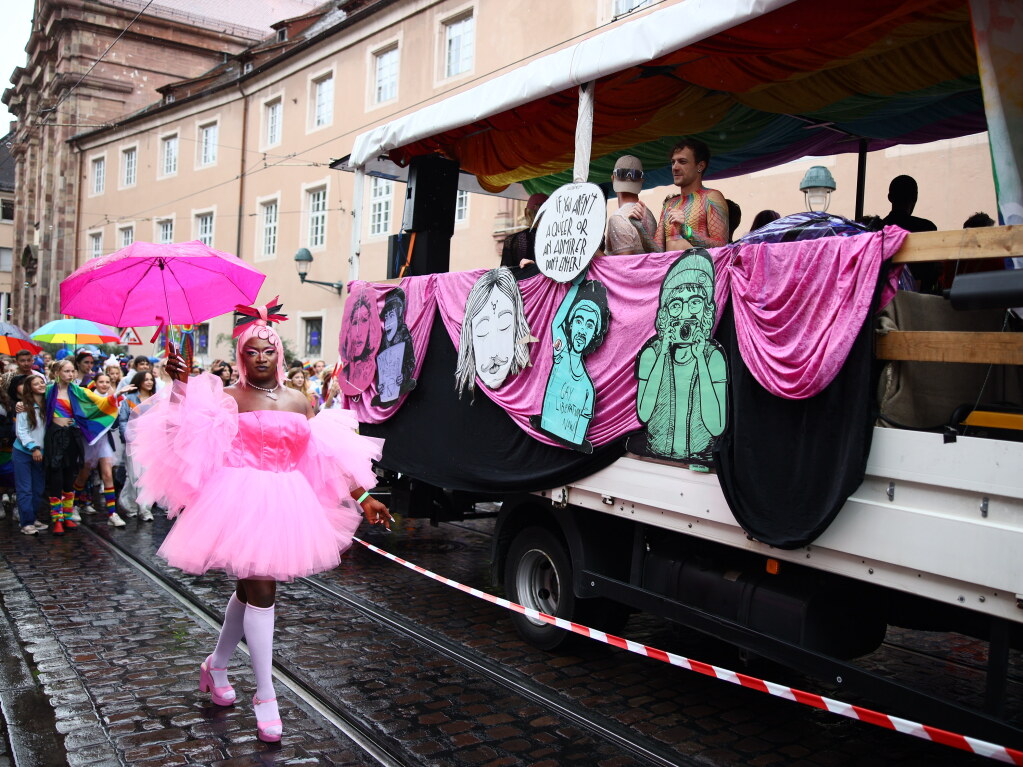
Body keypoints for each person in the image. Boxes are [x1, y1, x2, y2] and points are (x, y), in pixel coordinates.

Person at [125, 300, 389, 743]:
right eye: (252, 351)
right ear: (242, 356)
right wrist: (181, 385)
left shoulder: (299, 400)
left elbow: (324, 455)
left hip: (286, 500)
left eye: (269, 350)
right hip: (238, 499)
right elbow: (181, 434)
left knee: (249, 589)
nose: (261, 357)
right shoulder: (227, 399)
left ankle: (217, 665)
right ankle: (265, 694)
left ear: (279, 356)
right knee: (261, 588)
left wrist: (363, 496)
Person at [632, 250, 727, 463]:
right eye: (676, 305)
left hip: (701, 458)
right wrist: (663, 353)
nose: (685, 314)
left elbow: (717, 425)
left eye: (694, 302)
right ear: (665, 314)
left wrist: (701, 359)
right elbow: (644, 414)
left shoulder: (713, 357)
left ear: (706, 310)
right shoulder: (653, 352)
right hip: (654, 455)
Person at [529, 277, 610, 453]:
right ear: (570, 324)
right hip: (544, 439)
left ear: (595, 333)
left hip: (569, 449)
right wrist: (575, 287)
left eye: (590, 325)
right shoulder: (561, 353)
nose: (582, 330)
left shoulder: (588, 388)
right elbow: (556, 323)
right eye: (579, 321)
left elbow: (580, 432)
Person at [42, 359, 120, 535]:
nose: (70, 374)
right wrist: (21, 404)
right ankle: (57, 518)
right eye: (66, 371)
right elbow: (33, 402)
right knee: (56, 478)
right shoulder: (48, 391)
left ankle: (68, 515)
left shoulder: (78, 391)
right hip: (54, 437)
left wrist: (117, 394)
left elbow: (99, 401)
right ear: (57, 373)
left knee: (70, 475)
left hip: (72, 436)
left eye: (72, 371)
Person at [646, 138, 729, 252]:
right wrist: (640, 228)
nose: (675, 167)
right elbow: (657, 252)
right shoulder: (670, 204)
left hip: (699, 268)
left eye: (682, 161)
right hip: (669, 269)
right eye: (673, 162)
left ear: (700, 166)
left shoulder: (711, 196)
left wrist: (686, 231)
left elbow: (721, 246)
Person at [71, 373, 128, 527]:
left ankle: (112, 513)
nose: (104, 385)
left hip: (103, 441)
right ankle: (74, 506)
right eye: (101, 382)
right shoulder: (90, 398)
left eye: (107, 382)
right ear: (95, 383)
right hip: (89, 440)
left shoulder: (115, 399)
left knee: (108, 475)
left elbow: (115, 421)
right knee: (84, 474)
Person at [882, 175, 939, 293]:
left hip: (883, 296)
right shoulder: (927, 228)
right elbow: (932, 271)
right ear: (915, 197)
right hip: (917, 298)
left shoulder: (878, 229)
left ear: (889, 197)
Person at [117, 370, 156, 521]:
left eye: (151, 379)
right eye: (146, 379)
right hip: (134, 443)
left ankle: (145, 509)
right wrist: (128, 437)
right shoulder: (129, 400)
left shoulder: (156, 400)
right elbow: (123, 420)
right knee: (134, 476)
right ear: (139, 381)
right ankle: (128, 504)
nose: (149, 382)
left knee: (147, 476)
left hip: (150, 443)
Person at [13, 375, 49, 534]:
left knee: (38, 488)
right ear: (30, 387)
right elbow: (21, 431)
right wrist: (33, 448)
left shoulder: (49, 404)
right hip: (24, 452)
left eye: (42, 382)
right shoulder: (24, 406)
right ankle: (26, 522)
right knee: (25, 488)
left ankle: (33, 517)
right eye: (36, 383)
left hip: (41, 452)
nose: (41, 385)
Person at [604, 155, 658, 256]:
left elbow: (624, 266)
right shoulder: (649, 215)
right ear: (641, 181)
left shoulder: (617, 218)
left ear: (613, 179)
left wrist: (595, 254)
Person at [501, 193, 548, 268]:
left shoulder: (512, 240)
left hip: (519, 279)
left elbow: (505, 273)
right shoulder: (558, 239)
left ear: (527, 213)